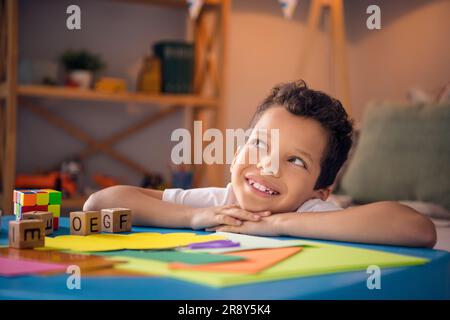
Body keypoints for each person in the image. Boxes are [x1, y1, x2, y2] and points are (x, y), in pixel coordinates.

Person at [83, 80, 436, 248]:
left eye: (295, 160)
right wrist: (192, 217)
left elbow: (417, 228)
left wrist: (280, 224)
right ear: (237, 151)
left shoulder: (310, 211)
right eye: (260, 146)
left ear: (321, 189)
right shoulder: (218, 204)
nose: (268, 167)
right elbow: (100, 203)